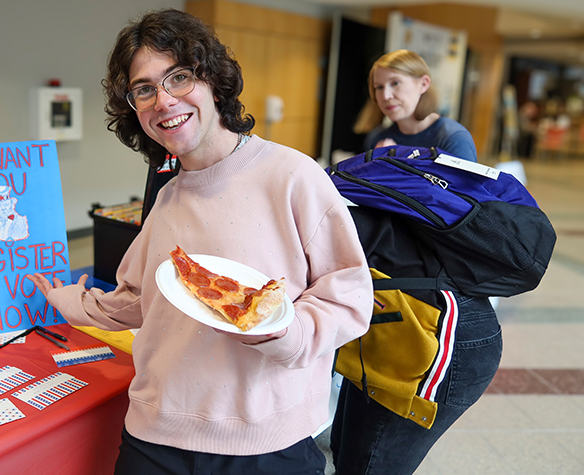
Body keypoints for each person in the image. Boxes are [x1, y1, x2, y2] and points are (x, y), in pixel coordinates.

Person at [27, 9, 373, 475]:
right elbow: (137, 298)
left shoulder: (292, 176)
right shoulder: (168, 195)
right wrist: (67, 298)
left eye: (179, 78)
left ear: (212, 80)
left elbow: (349, 295)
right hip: (155, 433)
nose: (163, 100)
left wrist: (284, 333)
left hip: (263, 442)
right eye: (144, 89)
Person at [330, 49, 504, 474]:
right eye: (378, 87)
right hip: (387, 289)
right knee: (344, 436)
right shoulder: (377, 138)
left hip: (433, 292)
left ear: (423, 84)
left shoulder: (451, 137)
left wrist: (399, 172)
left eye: (396, 84)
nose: (386, 95)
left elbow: (460, 222)